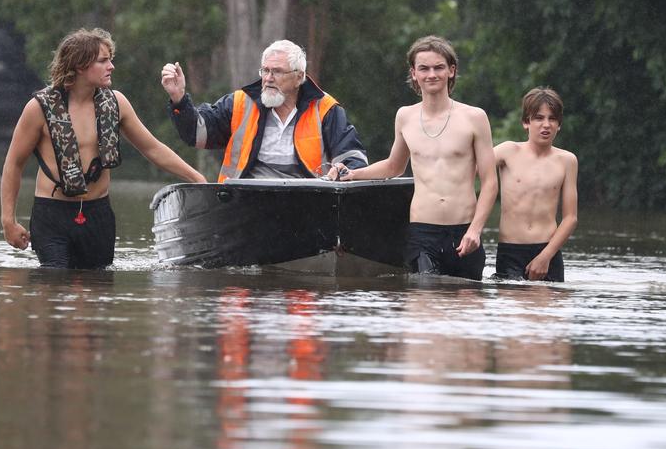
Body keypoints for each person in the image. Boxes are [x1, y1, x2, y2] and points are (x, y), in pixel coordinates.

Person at [1, 28, 206, 269]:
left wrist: (196, 177)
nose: (111, 66)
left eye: (111, 59)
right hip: (52, 215)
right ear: (80, 65)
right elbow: (13, 163)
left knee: (96, 290)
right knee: (53, 282)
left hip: (97, 214)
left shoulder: (116, 103)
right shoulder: (39, 108)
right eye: (103, 60)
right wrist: (8, 221)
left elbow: (153, 148)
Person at [338, 35, 497, 281]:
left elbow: (490, 182)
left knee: (466, 313)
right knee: (424, 305)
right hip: (422, 231)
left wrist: (476, 230)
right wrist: (352, 174)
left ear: (451, 71)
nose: (431, 74)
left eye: (438, 67)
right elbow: (394, 166)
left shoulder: (474, 117)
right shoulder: (405, 116)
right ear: (414, 73)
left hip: (464, 231)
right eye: (424, 68)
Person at [159, 39, 368, 180]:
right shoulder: (241, 102)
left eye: (276, 72)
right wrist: (178, 98)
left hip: (309, 203)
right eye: (265, 70)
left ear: (299, 77)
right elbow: (196, 134)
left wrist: (344, 170)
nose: (268, 78)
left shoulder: (326, 109)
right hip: (243, 204)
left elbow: (353, 158)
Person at [493, 87, 578, 282]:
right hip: (510, 251)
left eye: (552, 119)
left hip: (548, 251)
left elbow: (570, 218)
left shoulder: (567, 161)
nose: (546, 125)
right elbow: (468, 170)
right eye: (539, 118)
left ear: (559, 125)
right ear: (526, 122)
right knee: (512, 311)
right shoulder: (507, 151)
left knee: (546, 312)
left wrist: (545, 256)